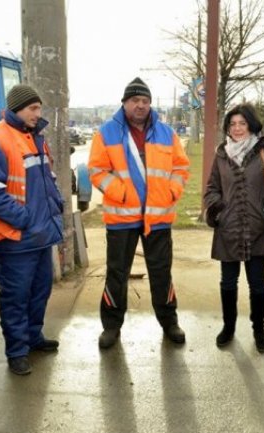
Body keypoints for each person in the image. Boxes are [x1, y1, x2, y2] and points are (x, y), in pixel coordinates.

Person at [88, 77, 190, 349]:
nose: (140, 106)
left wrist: (171, 193)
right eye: (135, 101)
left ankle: (170, 322)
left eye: (145, 101)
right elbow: (97, 170)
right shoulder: (107, 132)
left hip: (157, 217)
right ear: (124, 103)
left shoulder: (167, 133)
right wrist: (120, 193)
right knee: (116, 273)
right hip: (122, 218)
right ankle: (111, 326)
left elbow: (181, 168)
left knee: (161, 273)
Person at [0, 84, 64, 375]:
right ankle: (16, 351)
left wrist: (56, 207)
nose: (38, 113)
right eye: (33, 108)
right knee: (15, 297)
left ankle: (33, 337)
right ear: (16, 109)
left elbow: (47, 179)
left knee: (40, 292)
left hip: (40, 235)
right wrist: (23, 219)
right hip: (16, 237)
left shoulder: (34, 137)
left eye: (39, 108)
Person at [203, 104, 264, 353]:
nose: (237, 128)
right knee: (228, 283)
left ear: (251, 125)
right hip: (228, 228)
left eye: (242, 123)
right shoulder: (222, 154)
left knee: (257, 283)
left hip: (257, 227)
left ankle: (258, 329)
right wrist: (217, 209)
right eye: (233, 124)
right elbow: (212, 188)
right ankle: (228, 327)